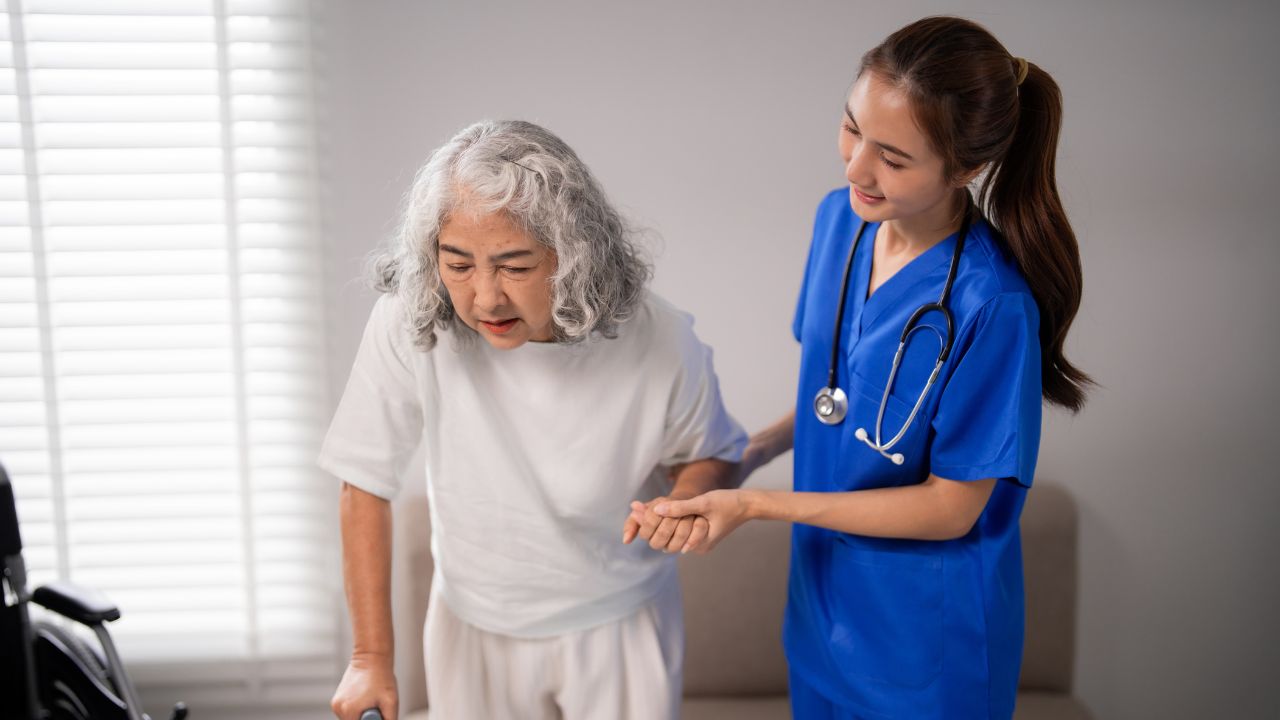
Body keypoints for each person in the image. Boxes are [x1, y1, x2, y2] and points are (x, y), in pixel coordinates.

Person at [630, 16, 1091, 719]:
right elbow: (835, 396)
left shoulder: (992, 305)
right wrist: (742, 455)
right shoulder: (838, 223)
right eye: (851, 129)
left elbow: (951, 506)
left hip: (926, 647)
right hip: (822, 612)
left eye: (893, 158)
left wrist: (754, 505)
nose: (854, 168)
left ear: (964, 169)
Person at [320, 120, 747, 720]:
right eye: (458, 264)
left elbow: (714, 453)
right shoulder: (410, 317)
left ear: (573, 255)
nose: (486, 297)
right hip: (472, 621)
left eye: (515, 267)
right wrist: (369, 656)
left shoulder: (659, 337)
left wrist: (684, 502)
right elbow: (363, 481)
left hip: (616, 620)